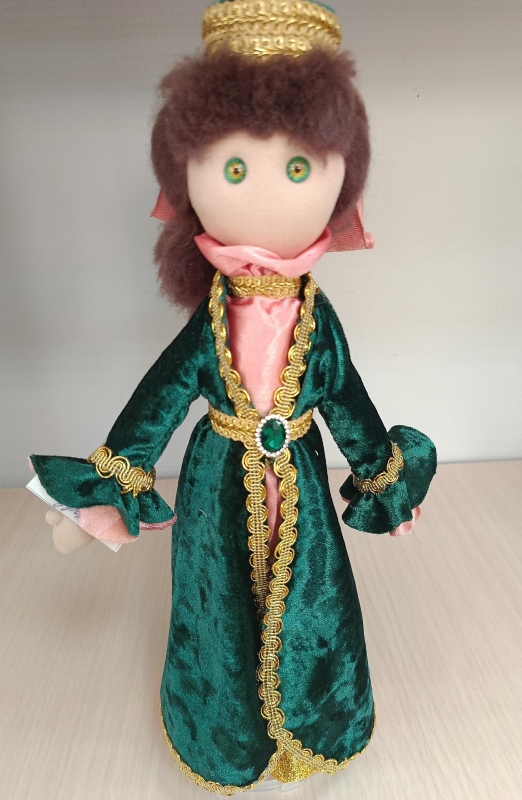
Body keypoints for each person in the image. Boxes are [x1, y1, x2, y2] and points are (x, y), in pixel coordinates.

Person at [32, 2, 437, 793]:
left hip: (301, 486)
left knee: (313, 598)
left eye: (298, 169)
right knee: (215, 605)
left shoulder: (317, 319)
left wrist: (384, 481)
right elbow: (159, 398)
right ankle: (224, 733)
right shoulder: (211, 319)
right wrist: (102, 499)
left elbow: (348, 402)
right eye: (234, 168)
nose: (268, 188)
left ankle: (318, 720)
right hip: (218, 478)